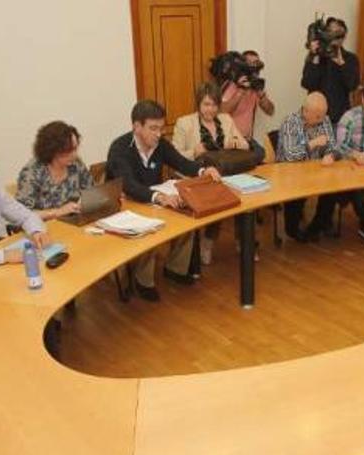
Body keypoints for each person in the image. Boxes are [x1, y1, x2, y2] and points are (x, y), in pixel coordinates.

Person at [106, 100, 221, 301]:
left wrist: (203, 171)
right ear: (136, 126)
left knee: (188, 218)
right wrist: (159, 197)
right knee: (149, 229)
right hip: (127, 202)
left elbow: (181, 162)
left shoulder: (160, 145)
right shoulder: (119, 148)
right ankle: (143, 281)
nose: (158, 134)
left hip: (154, 199)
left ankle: (175, 269)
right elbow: (128, 185)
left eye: (160, 128)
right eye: (153, 128)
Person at [306, 80, 364, 248]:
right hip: (354, 167)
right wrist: (355, 154)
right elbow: (339, 146)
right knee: (357, 188)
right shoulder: (350, 117)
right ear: (363, 99)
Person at [173, 82, 249, 265]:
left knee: (246, 199)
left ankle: (244, 243)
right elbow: (174, 158)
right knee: (217, 194)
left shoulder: (226, 119)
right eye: (206, 104)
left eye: (214, 104)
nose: (211, 109)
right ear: (198, 104)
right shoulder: (185, 123)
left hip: (225, 173)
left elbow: (245, 146)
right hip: (196, 177)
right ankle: (207, 243)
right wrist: (194, 151)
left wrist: (235, 143)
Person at [276, 92, 340, 241]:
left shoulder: (324, 119)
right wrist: (313, 143)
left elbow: (333, 145)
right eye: (318, 116)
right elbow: (291, 156)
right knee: (298, 191)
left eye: (323, 115)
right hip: (289, 173)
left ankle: (317, 226)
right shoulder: (290, 122)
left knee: (333, 188)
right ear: (305, 111)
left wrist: (331, 155)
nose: (322, 120)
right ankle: (292, 230)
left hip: (314, 170)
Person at [15, 121, 94, 220]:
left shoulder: (75, 164)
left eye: (75, 148)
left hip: (71, 223)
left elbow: (91, 192)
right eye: (68, 150)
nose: (74, 154)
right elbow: (19, 215)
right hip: (42, 229)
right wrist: (58, 212)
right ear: (52, 150)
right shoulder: (33, 172)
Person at [301, 17, 361, 125]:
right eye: (329, 32)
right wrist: (315, 56)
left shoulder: (350, 59)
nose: (332, 37)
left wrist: (342, 64)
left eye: (337, 34)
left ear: (343, 38)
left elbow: (353, 85)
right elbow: (307, 83)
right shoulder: (316, 56)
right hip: (315, 117)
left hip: (340, 118)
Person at [220, 50, 276, 162]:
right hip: (229, 142)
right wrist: (240, 90)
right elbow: (222, 110)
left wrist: (262, 95)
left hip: (246, 140)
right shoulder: (231, 85)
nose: (253, 67)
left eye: (256, 63)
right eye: (250, 63)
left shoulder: (256, 85)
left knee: (262, 156)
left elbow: (270, 111)